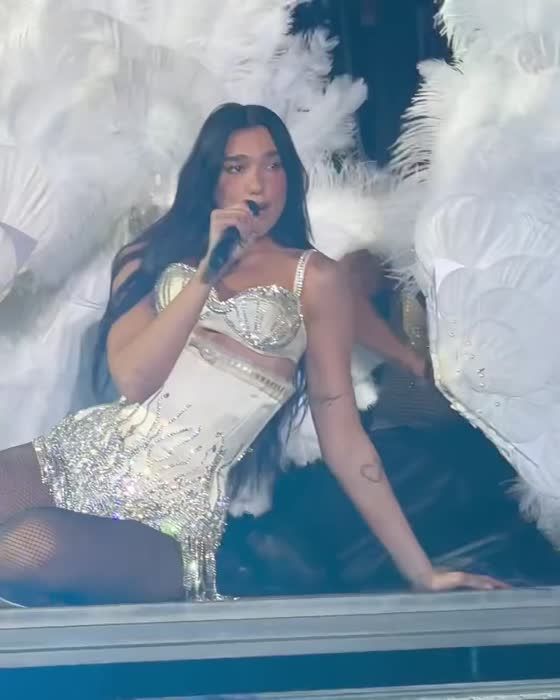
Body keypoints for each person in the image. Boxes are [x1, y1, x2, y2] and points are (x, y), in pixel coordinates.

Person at [0, 104, 506, 606]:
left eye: (273, 165)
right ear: (211, 180)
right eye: (236, 167)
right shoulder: (149, 257)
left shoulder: (316, 280)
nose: (258, 185)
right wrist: (208, 274)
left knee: (31, 544)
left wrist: (421, 571)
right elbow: (135, 379)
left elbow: (346, 443)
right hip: (79, 458)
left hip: (167, 519)